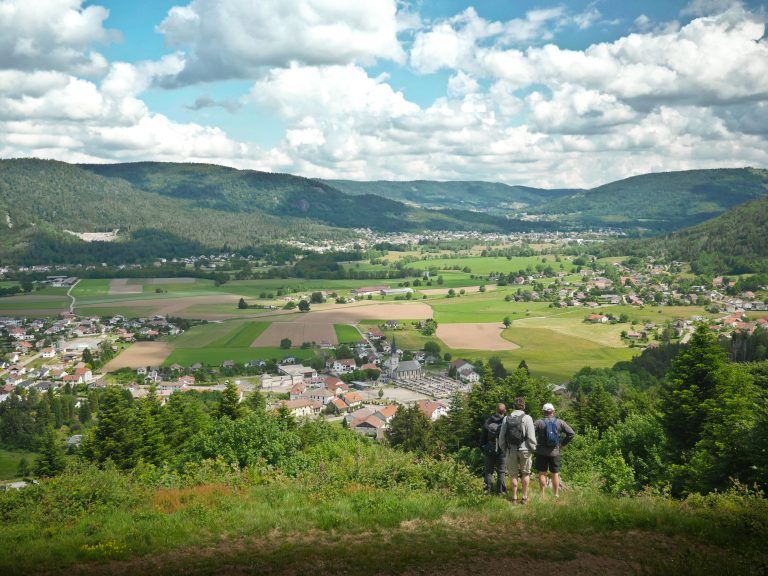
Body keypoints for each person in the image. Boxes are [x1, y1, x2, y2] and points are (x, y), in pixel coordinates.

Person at [499, 396, 536, 504]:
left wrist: (504, 449)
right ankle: (524, 497)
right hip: (525, 450)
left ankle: (514, 498)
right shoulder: (527, 418)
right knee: (525, 473)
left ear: (513, 406)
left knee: (513, 474)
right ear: (523, 406)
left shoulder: (507, 418)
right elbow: (531, 437)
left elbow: (501, 437)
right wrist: (533, 449)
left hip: (511, 450)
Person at [533, 403, 575, 499]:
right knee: (555, 473)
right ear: (553, 411)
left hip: (541, 452)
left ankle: (542, 494)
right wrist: (562, 444)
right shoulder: (559, 422)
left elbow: (529, 432)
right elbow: (571, 433)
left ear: (543, 411)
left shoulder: (539, 422)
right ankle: (556, 494)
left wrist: (534, 444)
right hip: (555, 452)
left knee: (542, 473)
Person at [481, 403, 507, 495]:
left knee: (488, 471)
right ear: (505, 411)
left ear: (496, 410)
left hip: (489, 449)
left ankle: (487, 490)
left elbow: (483, 437)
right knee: (501, 472)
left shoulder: (488, 420)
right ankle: (501, 492)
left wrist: (483, 447)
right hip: (502, 450)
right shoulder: (506, 421)